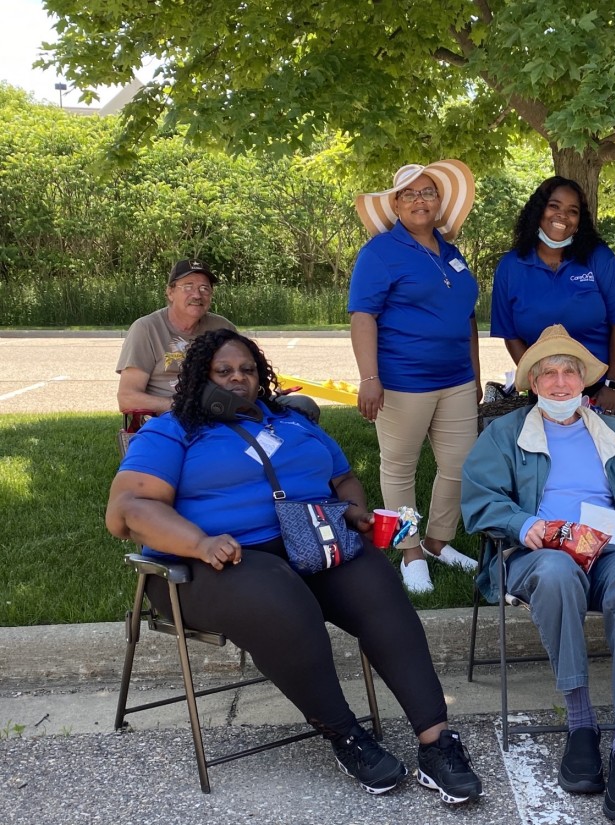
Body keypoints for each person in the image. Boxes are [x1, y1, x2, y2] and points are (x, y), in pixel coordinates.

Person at [106, 329, 482, 803]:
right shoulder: (173, 430)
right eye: (223, 371)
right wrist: (199, 541)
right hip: (204, 567)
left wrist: (353, 512)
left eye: (246, 370)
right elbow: (127, 511)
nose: (237, 379)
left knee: (377, 586)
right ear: (198, 377)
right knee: (278, 596)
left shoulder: (292, 421)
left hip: (308, 543)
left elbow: (342, 478)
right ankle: (347, 736)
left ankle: (437, 742)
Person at [461, 325, 615, 823]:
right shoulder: (504, 434)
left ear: (583, 382)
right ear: (533, 383)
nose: (560, 383)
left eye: (569, 373)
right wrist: (525, 524)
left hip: (612, 547)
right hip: (541, 551)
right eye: (549, 374)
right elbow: (478, 502)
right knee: (558, 573)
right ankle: (580, 722)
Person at [349, 160, 481, 593]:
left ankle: (438, 542)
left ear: (439, 202)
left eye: (428, 192)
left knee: (461, 465)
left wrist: (476, 376)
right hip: (403, 380)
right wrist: (369, 378)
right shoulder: (380, 252)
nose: (420, 200)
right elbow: (362, 315)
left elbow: (468, 317)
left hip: (457, 379)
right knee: (400, 468)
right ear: (396, 204)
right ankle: (409, 551)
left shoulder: (452, 251)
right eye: (410, 194)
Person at [490, 176, 615, 416]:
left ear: (580, 221)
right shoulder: (510, 267)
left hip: (606, 376)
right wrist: (536, 380)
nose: (562, 216)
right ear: (538, 211)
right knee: (547, 447)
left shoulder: (598, 258)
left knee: (603, 447)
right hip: (546, 380)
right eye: (554, 206)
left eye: (572, 211)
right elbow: (511, 334)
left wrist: (613, 384)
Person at [116, 259, 236, 413]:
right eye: (188, 287)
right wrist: (182, 406)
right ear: (170, 292)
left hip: (219, 413)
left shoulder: (223, 328)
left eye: (204, 288)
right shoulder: (146, 329)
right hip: (167, 419)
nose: (197, 295)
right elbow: (127, 398)